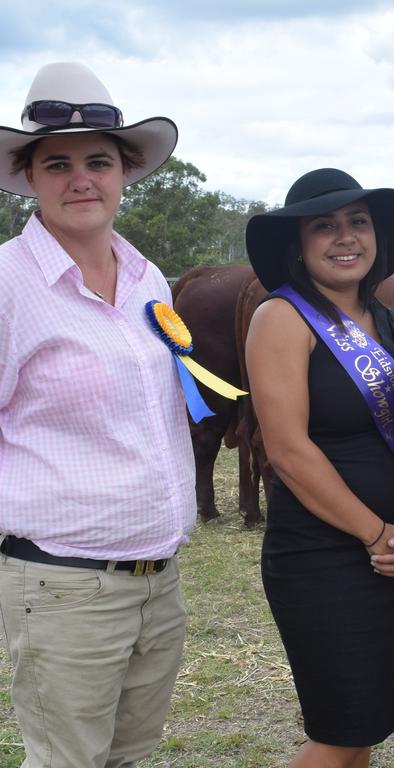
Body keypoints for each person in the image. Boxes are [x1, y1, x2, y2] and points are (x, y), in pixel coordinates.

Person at [0, 62, 195, 767]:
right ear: (29, 176)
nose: (81, 178)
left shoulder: (148, 278)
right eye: (58, 163)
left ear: (123, 173)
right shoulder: (8, 284)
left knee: (128, 758)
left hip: (157, 580)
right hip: (62, 585)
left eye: (98, 161)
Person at [244, 168, 394, 768]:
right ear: (299, 244)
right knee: (339, 733)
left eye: (357, 222)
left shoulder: (391, 323)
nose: (344, 237)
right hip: (321, 556)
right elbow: (288, 451)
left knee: (367, 727)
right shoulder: (281, 318)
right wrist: (376, 534)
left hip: (391, 555)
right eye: (324, 226)